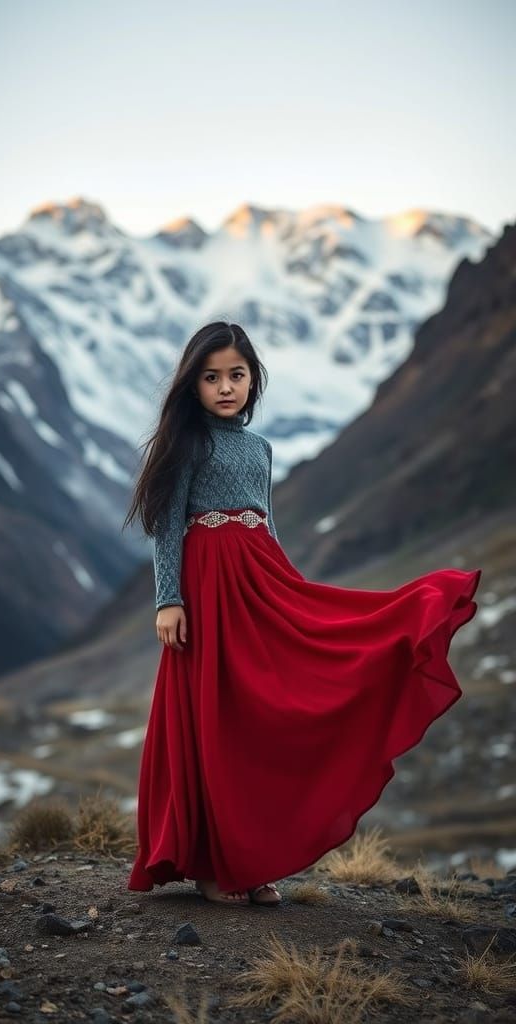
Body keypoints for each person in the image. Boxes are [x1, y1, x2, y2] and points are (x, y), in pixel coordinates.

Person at [122, 320, 482, 909]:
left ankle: (253, 861)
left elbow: (266, 524)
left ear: (253, 380)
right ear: (193, 385)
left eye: (236, 374)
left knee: (257, 721)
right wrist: (168, 599)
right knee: (214, 722)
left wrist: (293, 590)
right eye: (211, 377)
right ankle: (212, 865)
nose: (225, 387)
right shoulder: (188, 445)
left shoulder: (260, 449)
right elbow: (167, 526)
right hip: (206, 589)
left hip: (259, 582)